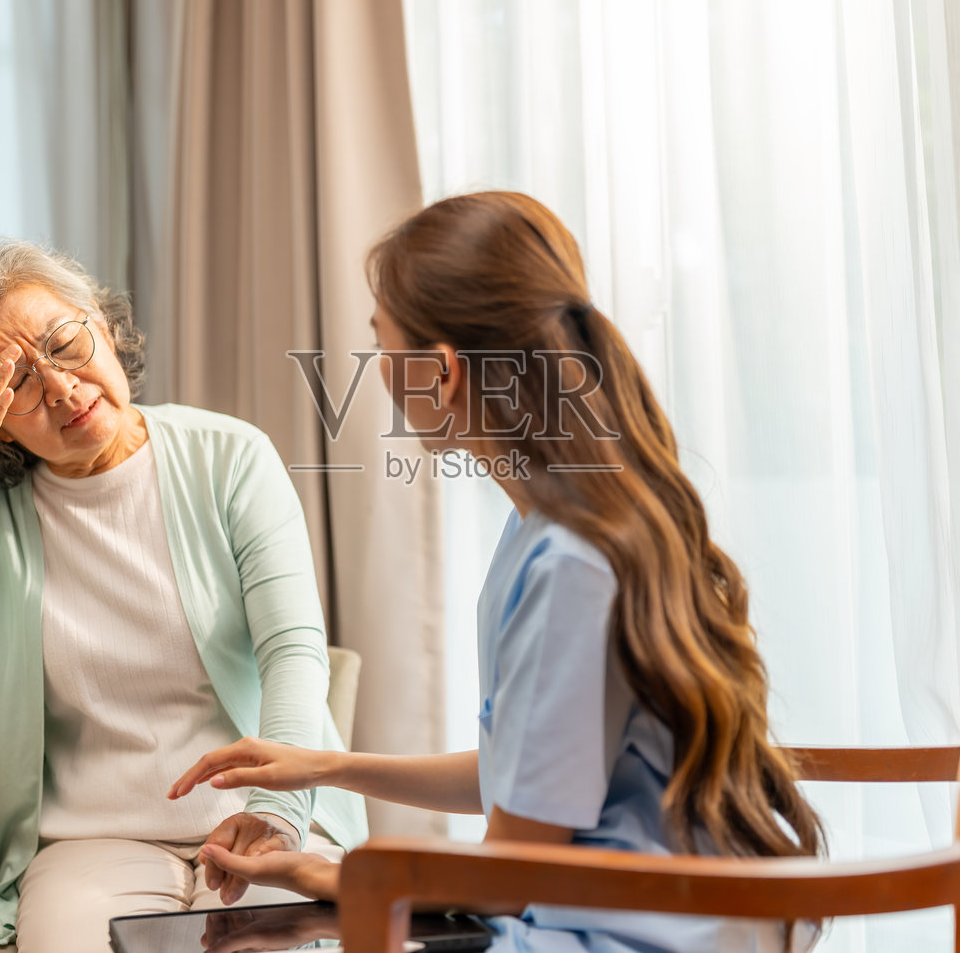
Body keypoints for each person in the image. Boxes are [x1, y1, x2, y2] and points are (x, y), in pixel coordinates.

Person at [168, 192, 826, 952]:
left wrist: (338, 873)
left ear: (442, 371)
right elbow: (528, 774)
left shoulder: (569, 563)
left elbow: (510, 875)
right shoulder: (556, 524)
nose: (378, 373)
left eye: (383, 346)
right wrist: (329, 766)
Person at [0, 239, 366, 950]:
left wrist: (277, 812)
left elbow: (294, 653)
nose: (62, 389)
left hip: (262, 812)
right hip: (92, 842)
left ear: (103, 322)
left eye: (64, 344)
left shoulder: (230, 455)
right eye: (14, 384)